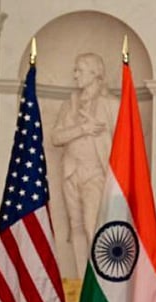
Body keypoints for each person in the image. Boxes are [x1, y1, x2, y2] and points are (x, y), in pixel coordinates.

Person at [51, 52, 120, 277]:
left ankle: (98, 281)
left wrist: (99, 131)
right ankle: (82, 280)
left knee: (95, 228)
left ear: (94, 73)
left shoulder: (111, 104)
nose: (75, 75)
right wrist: (83, 129)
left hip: (97, 173)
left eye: (79, 70)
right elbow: (56, 137)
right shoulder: (70, 105)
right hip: (71, 172)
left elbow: (125, 142)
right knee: (77, 228)